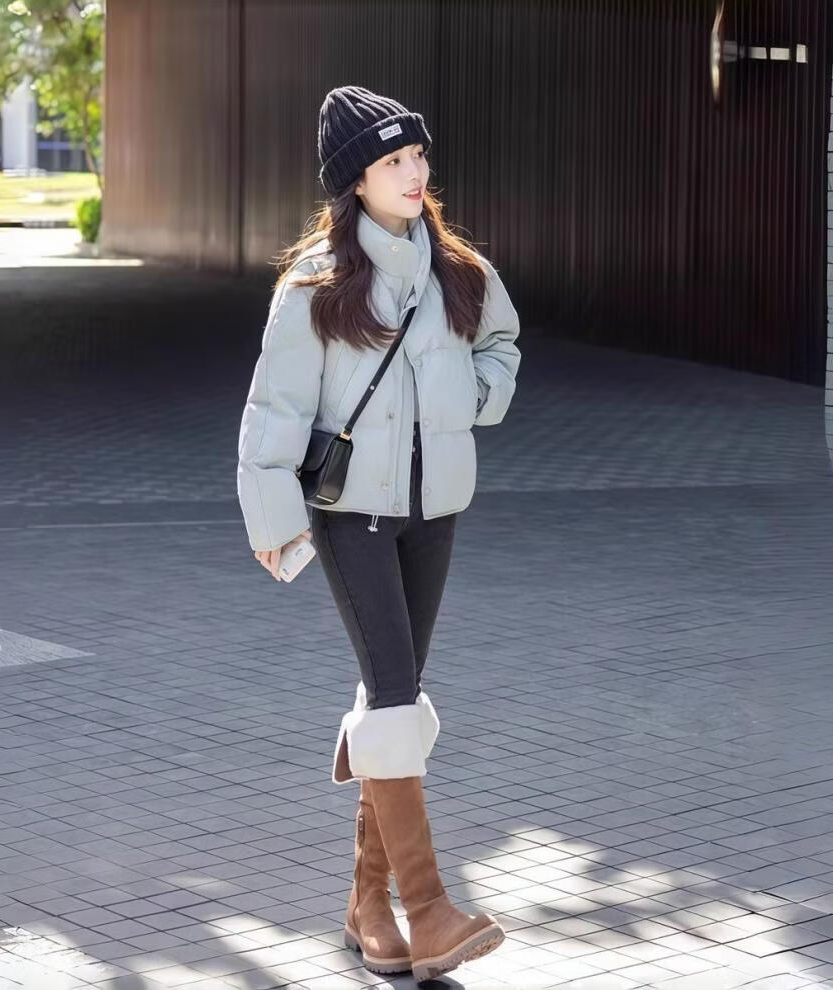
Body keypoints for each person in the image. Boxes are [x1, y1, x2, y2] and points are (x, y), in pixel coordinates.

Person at [236, 84, 521, 982]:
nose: (413, 171)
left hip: (435, 508)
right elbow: (275, 407)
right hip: (350, 510)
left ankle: (367, 905)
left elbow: (502, 346)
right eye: (393, 160)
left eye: (417, 154)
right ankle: (428, 910)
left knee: (393, 695)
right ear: (354, 180)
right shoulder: (318, 283)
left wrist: (471, 396)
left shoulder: (459, 270)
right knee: (394, 691)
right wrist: (274, 519)